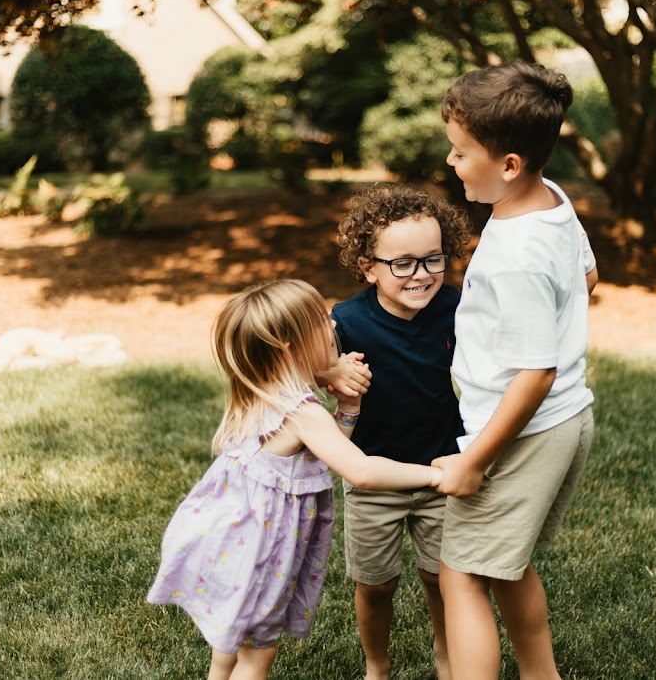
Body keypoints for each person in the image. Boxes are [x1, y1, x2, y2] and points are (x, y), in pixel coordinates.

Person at [146, 278, 446, 680]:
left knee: (230, 643)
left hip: (231, 537)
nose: (334, 325)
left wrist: (347, 403)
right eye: (322, 322)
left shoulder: (258, 389)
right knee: (258, 654)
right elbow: (360, 470)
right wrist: (436, 474)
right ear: (290, 346)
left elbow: (325, 450)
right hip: (260, 548)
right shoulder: (303, 412)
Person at [433, 62, 599, 680]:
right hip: (565, 419)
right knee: (504, 564)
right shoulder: (550, 199)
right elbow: (588, 276)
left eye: (460, 152)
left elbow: (535, 374)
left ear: (508, 165)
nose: (450, 161)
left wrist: (474, 462)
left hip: (523, 429)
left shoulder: (515, 255)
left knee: (461, 574)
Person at [320, 184, 472, 680]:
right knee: (376, 583)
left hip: (443, 465)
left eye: (433, 259)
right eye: (402, 263)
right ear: (369, 267)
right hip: (374, 474)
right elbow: (297, 367)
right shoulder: (345, 321)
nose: (421, 274)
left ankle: (447, 656)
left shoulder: (453, 307)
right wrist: (331, 372)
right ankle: (377, 667)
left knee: (442, 577)